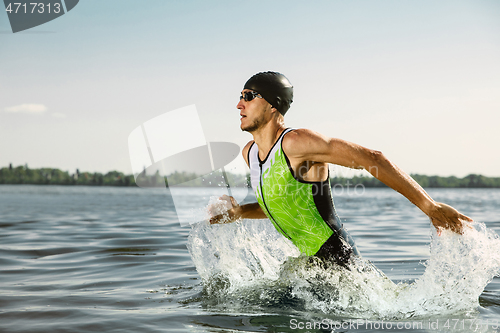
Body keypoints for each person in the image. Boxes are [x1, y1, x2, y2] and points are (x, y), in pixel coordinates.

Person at [210, 71, 472, 266]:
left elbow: (373, 158)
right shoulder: (251, 154)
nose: (239, 104)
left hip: (339, 262)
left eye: (248, 96)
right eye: (240, 97)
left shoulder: (296, 142)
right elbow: (283, 205)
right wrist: (239, 212)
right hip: (311, 266)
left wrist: (430, 207)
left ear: (272, 104)